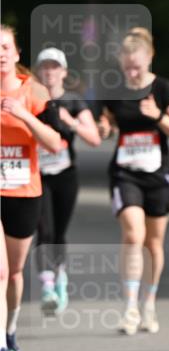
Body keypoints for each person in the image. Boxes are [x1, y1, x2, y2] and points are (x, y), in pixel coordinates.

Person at [98, 28, 169, 335]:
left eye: (136, 66)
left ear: (149, 58)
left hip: (158, 174)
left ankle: (149, 303)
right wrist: (105, 127)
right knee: (133, 235)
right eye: (127, 67)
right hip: (125, 173)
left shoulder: (163, 88)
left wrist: (157, 115)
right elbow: (108, 119)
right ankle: (130, 307)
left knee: (153, 242)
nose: (132, 72)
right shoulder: (115, 90)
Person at [0, 25, 61, 351]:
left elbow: (54, 142)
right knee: (0, 270)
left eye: (5, 47)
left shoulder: (34, 92)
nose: (0, 54)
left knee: (15, 272)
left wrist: (21, 114)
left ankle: (10, 331)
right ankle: (0, 345)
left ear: (16, 53)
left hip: (24, 192)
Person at [33, 47, 101, 314]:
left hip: (65, 175)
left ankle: (59, 274)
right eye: (45, 67)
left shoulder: (73, 101)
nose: (49, 72)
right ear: (38, 72)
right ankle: (47, 285)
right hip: (37, 175)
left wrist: (70, 121)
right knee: (45, 230)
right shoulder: (32, 101)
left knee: (59, 231)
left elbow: (94, 138)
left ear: (63, 72)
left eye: (54, 66)